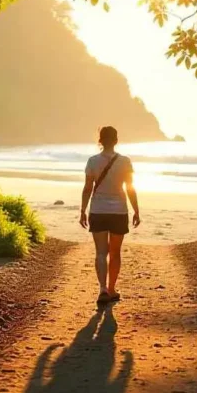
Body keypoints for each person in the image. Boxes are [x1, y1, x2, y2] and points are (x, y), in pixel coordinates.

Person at [79, 126, 140, 304]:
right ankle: (112, 288)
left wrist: (83, 210)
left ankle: (102, 289)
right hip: (119, 211)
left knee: (100, 252)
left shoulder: (92, 161)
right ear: (116, 140)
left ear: (100, 140)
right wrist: (136, 209)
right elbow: (130, 188)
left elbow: (87, 188)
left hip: (98, 210)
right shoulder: (125, 161)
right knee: (115, 253)